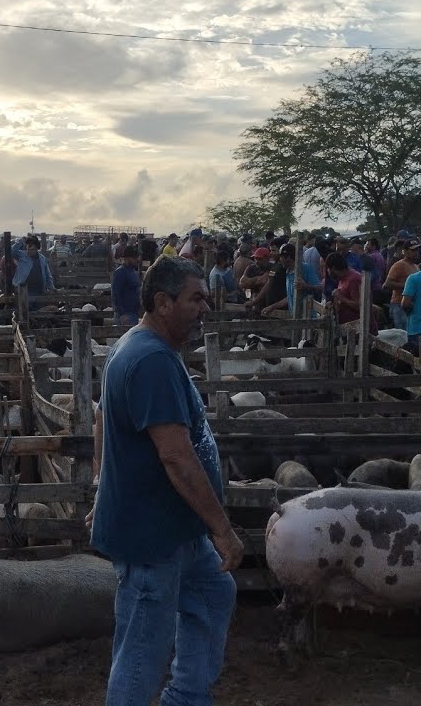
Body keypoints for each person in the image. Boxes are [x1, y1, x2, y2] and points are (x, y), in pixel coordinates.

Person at [89, 255, 241, 706]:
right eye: (196, 299)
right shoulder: (151, 359)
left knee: (215, 594)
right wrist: (224, 530)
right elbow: (176, 456)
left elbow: (102, 419)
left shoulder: (136, 346)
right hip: (152, 536)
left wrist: (104, 485)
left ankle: (187, 697)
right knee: (141, 652)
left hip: (177, 527)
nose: (204, 309)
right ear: (162, 302)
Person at [384, 242, 421, 329]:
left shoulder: (416, 266)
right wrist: (407, 286)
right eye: (412, 250)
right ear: (405, 251)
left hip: (412, 304)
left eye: (416, 250)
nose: (416, 252)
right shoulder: (399, 265)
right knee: (402, 334)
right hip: (399, 304)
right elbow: (387, 284)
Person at [12, 236, 55, 305]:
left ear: (37, 249)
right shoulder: (22, 255)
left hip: (39, 289)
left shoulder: (42, 258)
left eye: (32, 250)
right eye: (28, 249)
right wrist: (21, 241)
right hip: (24, 289)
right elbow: (12, 251)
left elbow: (47, 274)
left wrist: (51, 287)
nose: (29, 251)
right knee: (25, 307)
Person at [326, 253, 363, 325]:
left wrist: (341, 297)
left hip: (357, 329)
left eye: (328, 268)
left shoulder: (353, 279)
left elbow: (361, 306)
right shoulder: (342, 278)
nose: (328, 271)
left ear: (333, 268)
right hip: (347, 327)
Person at [110, 245, 142, 327]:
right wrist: (122, 314)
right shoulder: (120, 272)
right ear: (127, 258)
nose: (138, 260)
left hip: (133, 313)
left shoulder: (133, 272)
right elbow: (116, 294)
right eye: (135, 258)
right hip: (125, 316)